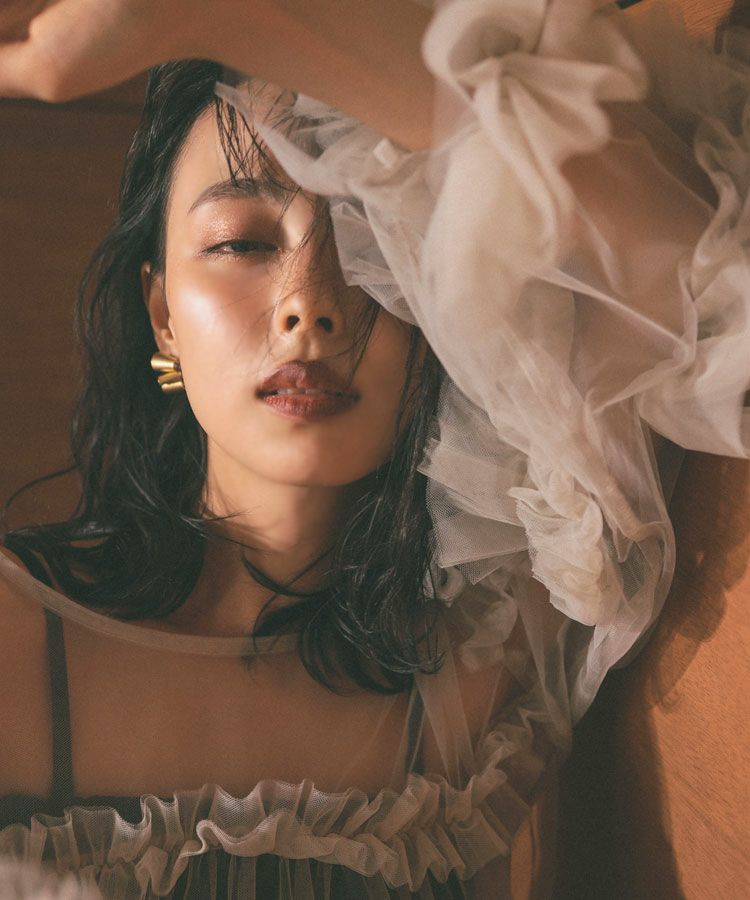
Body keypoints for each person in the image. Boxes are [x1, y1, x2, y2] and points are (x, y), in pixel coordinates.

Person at [0, 1, 747, 897]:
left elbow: (703, 281)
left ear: (439, 294)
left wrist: (209, 16)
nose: (309, 304)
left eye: (370, 245)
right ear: (162, 313)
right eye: (242, 242)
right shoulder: (16, 643)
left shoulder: (484, 664)